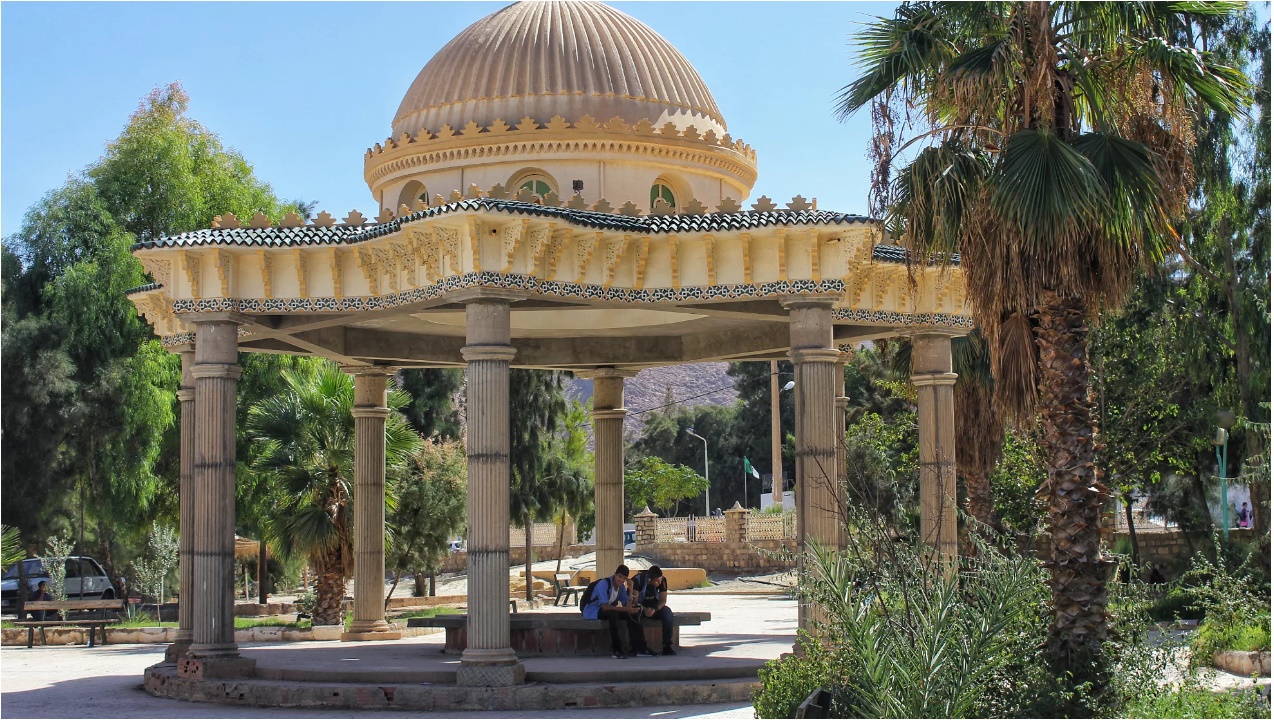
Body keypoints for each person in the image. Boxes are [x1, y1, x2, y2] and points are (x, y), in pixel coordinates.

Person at [582, 564, 654, 659]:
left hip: (609, 609)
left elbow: (627, 606)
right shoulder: (604, 584)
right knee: (613, 615)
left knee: (633, 614)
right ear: (615, 574)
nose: (621, 580)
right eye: (619, 576)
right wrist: (626, 609)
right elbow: (605, 607)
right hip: (593, 610)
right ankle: (617, 650)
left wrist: (631, 589)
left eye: (624, 578)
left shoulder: (621, 588)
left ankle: (639, 648)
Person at [633, 565, 676, 655]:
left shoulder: (662, 580)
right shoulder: (637, 580)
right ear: (649, 580)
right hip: (641, 607)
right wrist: (645, 610)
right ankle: (640, 647)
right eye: (657, 581)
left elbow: (663, 600)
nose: (659, 582)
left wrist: (655, 609)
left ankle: (667, 645)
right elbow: (634, 602)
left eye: (660, 580)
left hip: (654, 608)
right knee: (634, 615)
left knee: (667, 612)